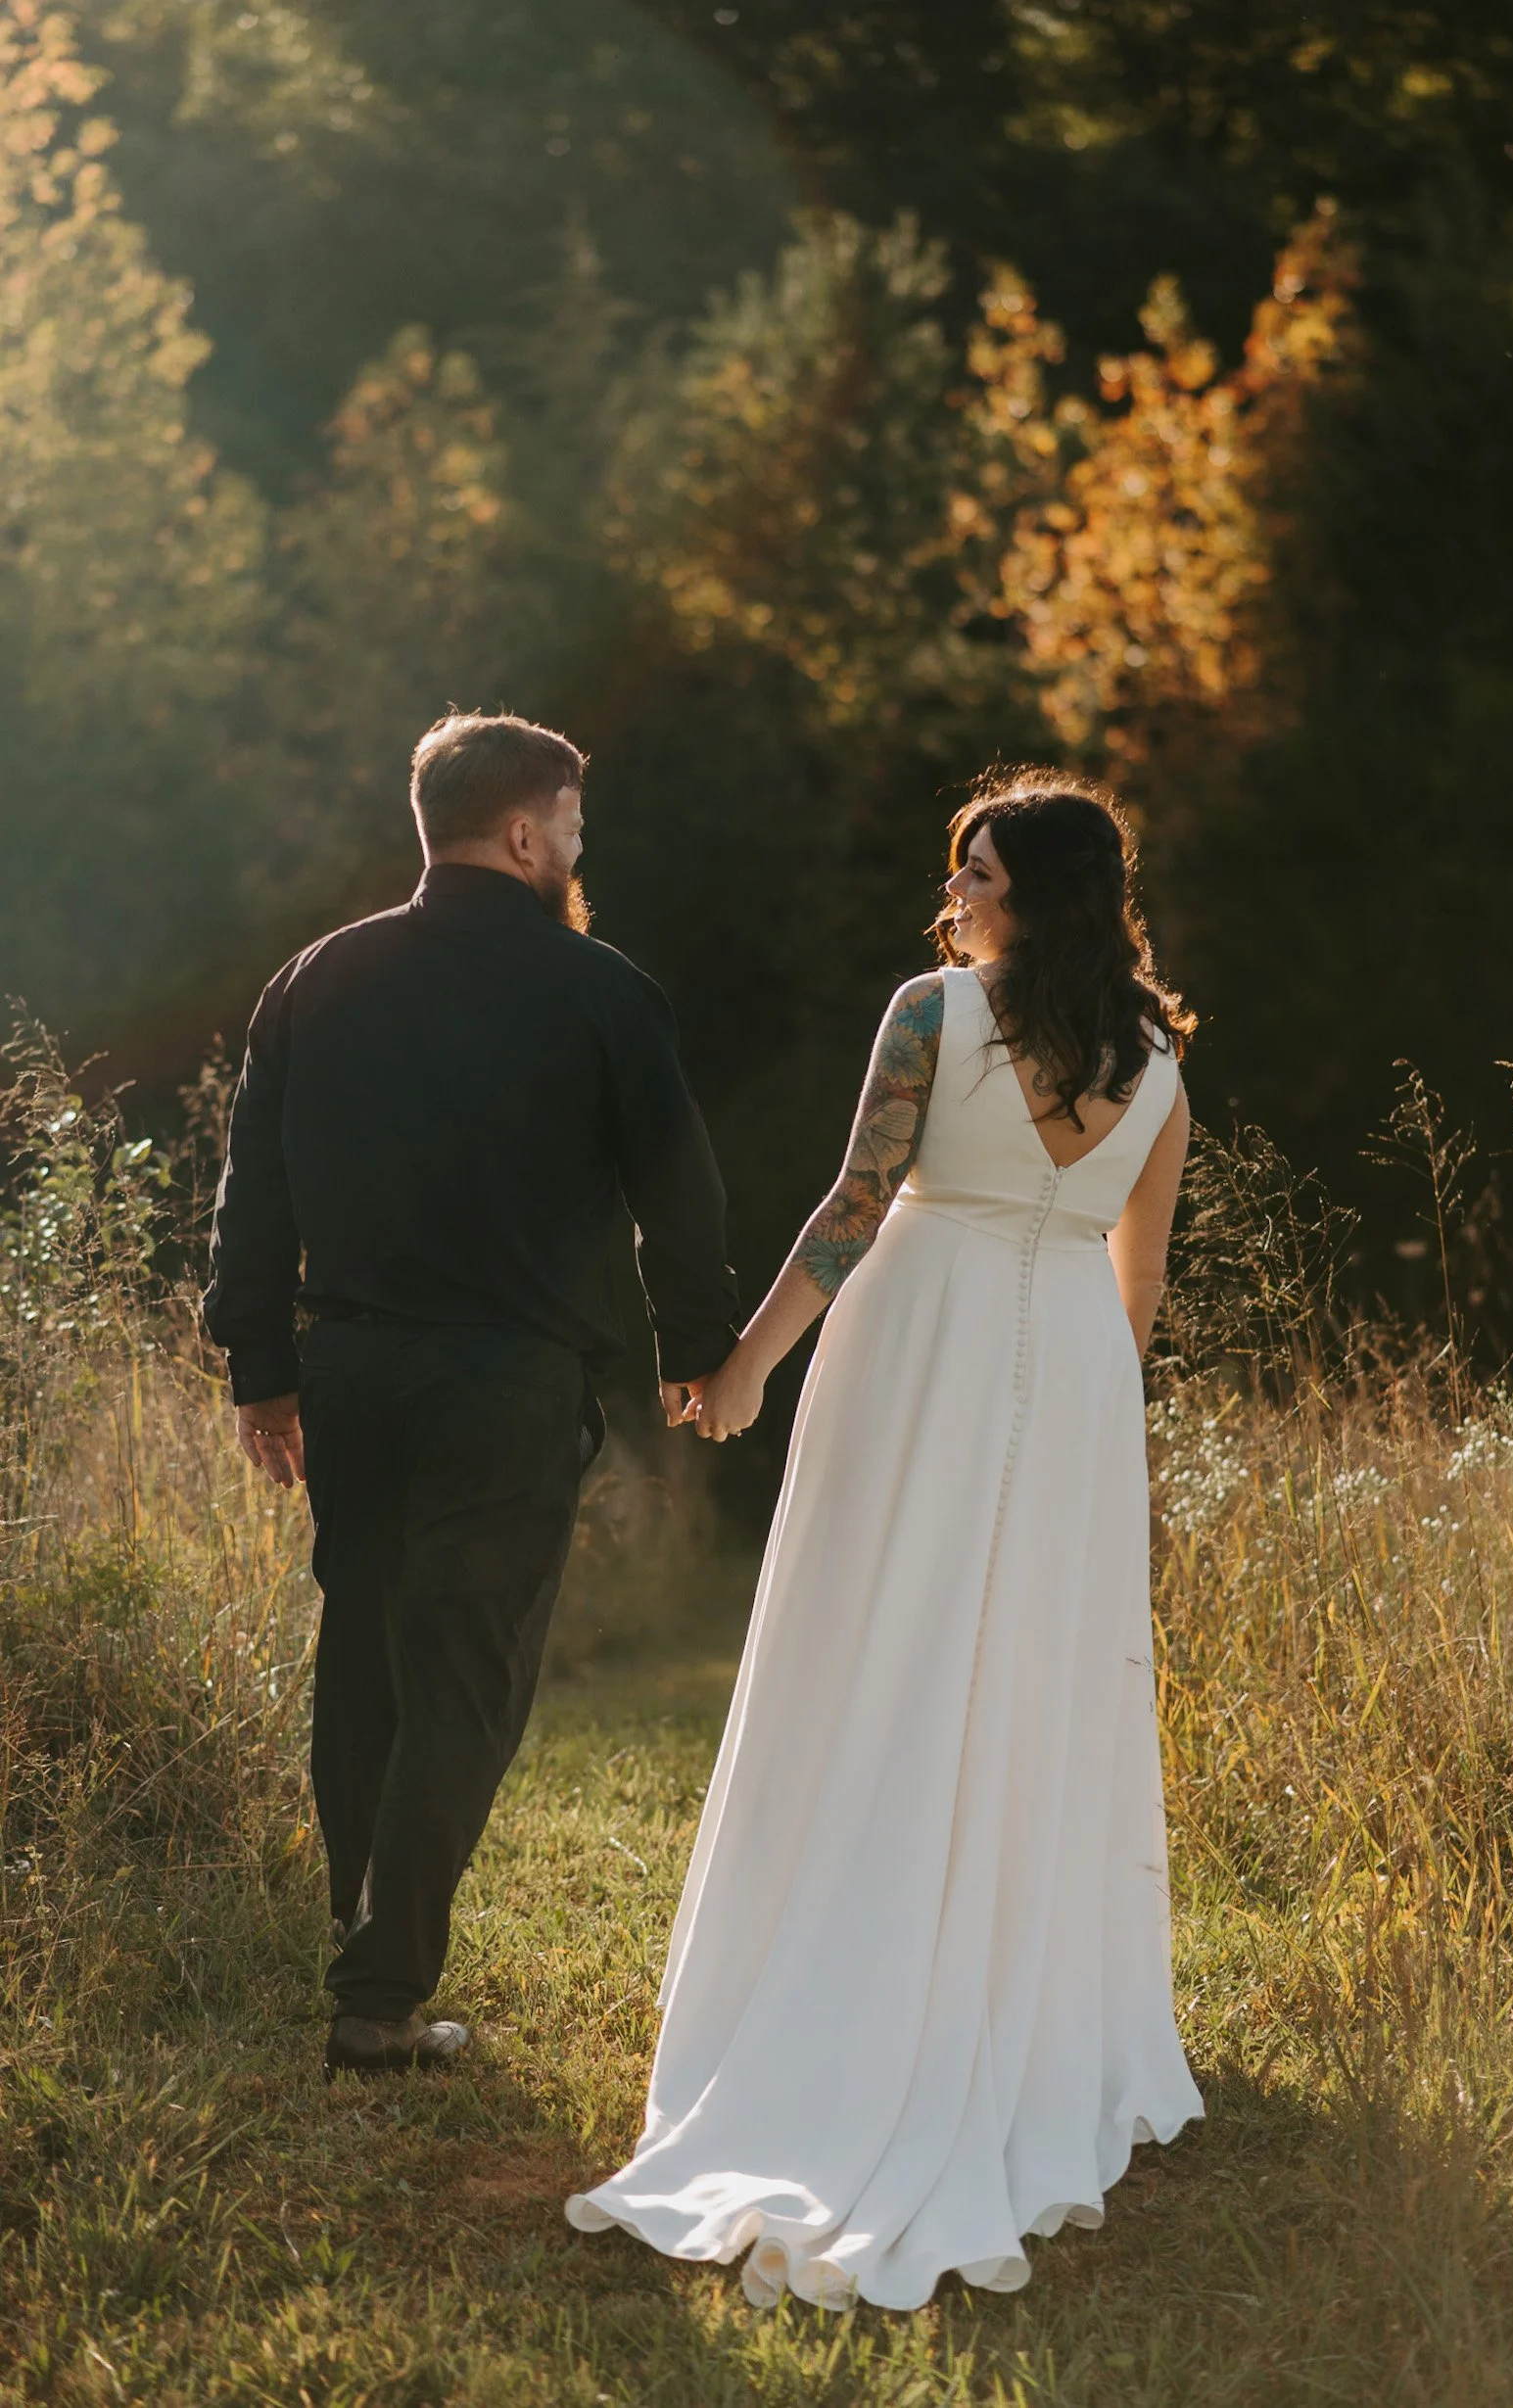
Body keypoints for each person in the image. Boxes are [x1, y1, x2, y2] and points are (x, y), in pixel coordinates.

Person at [567, 769, 1204, 2308]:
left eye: (983, 871)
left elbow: (855, 1205)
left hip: (923, 1333)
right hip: (1066, 1361)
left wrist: (747, 1361)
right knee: (1011, 1658)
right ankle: (988, 1960)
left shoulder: (933, 1011)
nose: (961, 891)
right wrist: (1092, 1418)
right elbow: (1138, 1282)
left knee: (872, 1635)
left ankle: (858, 1970)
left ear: (1039, 891)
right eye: (960, 868)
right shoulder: (1160, 1063)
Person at [205, 711, 737, 2079]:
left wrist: (259, 1370)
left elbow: (250, 1193)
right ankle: (379, 1991)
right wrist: (696, 1351)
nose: (574, 846)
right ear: (520, 831)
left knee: (366, 1650)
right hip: (507, 1378)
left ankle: (359, 1924)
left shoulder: (314, 978)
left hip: (354, 1367)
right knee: (466, 1671)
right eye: (568, 823)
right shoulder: (604, 991)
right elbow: (676, 1196)